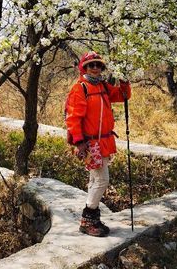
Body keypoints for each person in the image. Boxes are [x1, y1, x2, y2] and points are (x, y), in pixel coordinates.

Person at [65, 51, 131, 237]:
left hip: (103, 141)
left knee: (95, 180)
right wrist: (79, 142)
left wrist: (124, 81)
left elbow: (122, 95)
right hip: (90, 143)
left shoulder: (102, 85)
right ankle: (87, 219)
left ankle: (92, 219)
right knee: (102, 180)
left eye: (98, 65)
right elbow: (73, 117)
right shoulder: (80, 88)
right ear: (84, 67)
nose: (95, 68)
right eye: (91, 65)